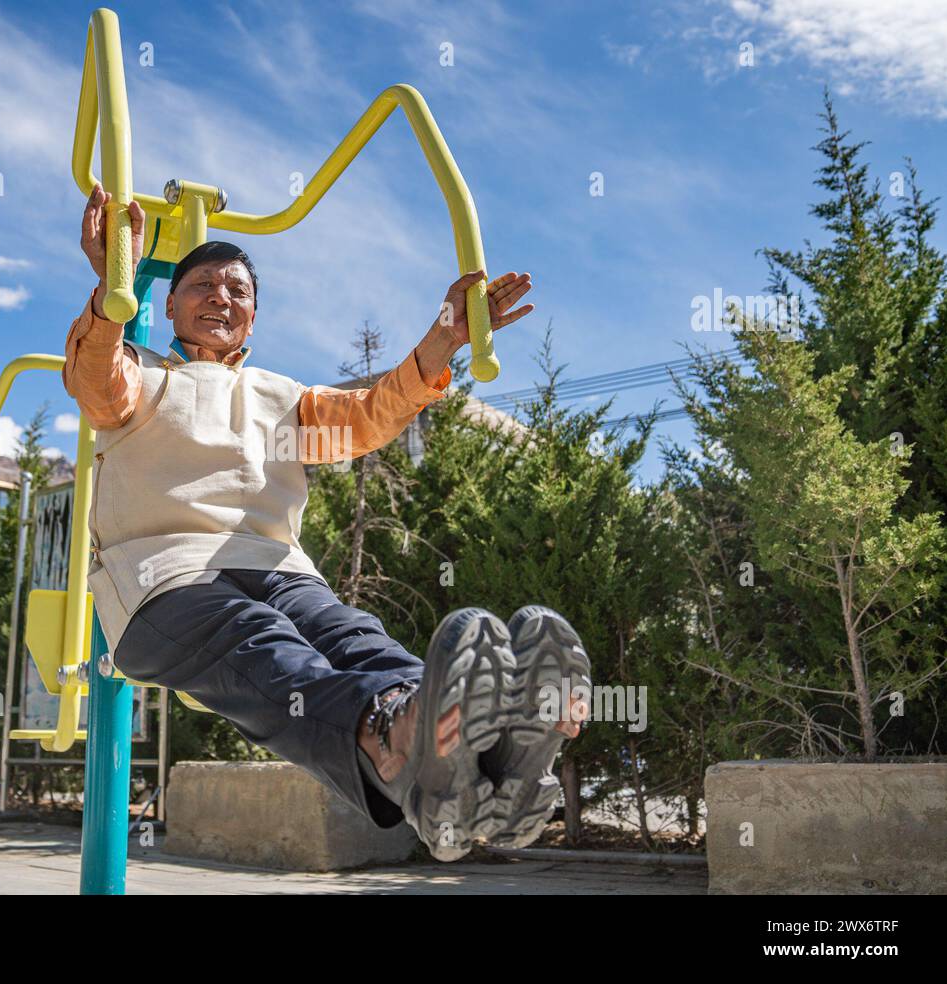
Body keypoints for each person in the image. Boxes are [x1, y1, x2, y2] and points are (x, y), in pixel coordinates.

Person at [63, 183, 591, 861]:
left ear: (252, 317)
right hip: (164, 580)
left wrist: (446, 337)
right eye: (202, 285)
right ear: (168, 303)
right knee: (259, 640)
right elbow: (94, 379)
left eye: (237, 290)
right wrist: (114, 282)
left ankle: (485, 758)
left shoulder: (280, 398)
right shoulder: (142, 375)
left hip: (277, 567)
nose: (220, 297)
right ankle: (395, 741)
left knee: (351, 634)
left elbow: (369, 415)